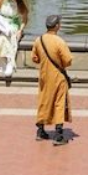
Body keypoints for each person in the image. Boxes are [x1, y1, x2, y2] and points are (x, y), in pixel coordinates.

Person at [32, 13, 73, 144]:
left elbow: (35, 58)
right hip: (58, 77)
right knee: (59, 103)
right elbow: (68, 61)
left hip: (44, 76)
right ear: (57, 26)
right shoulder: (60, 42)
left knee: (44, 101)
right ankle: (59, 134)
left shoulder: (39, 40)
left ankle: (40, 130)